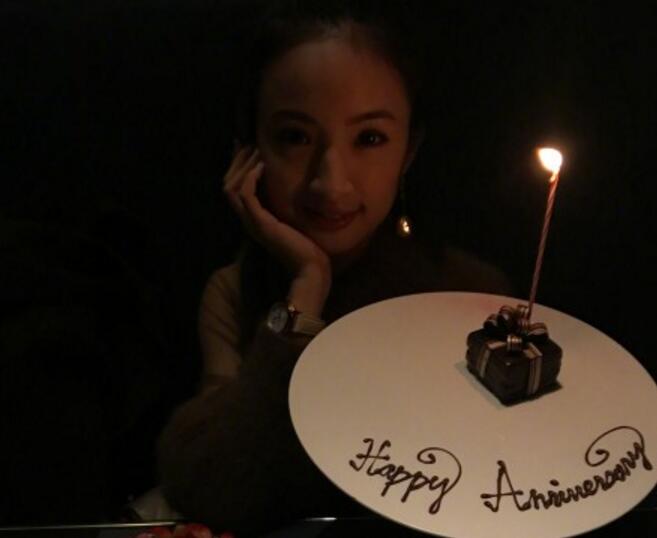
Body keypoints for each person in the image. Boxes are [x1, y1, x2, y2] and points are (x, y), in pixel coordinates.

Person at [157, 0, 510, 533]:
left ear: (409, 152)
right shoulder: (235, 292)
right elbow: (211, 487)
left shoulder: (467, 294)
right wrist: (308, 287)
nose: (330, 181)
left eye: (369, 139)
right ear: (249, 151)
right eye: (295, 137)